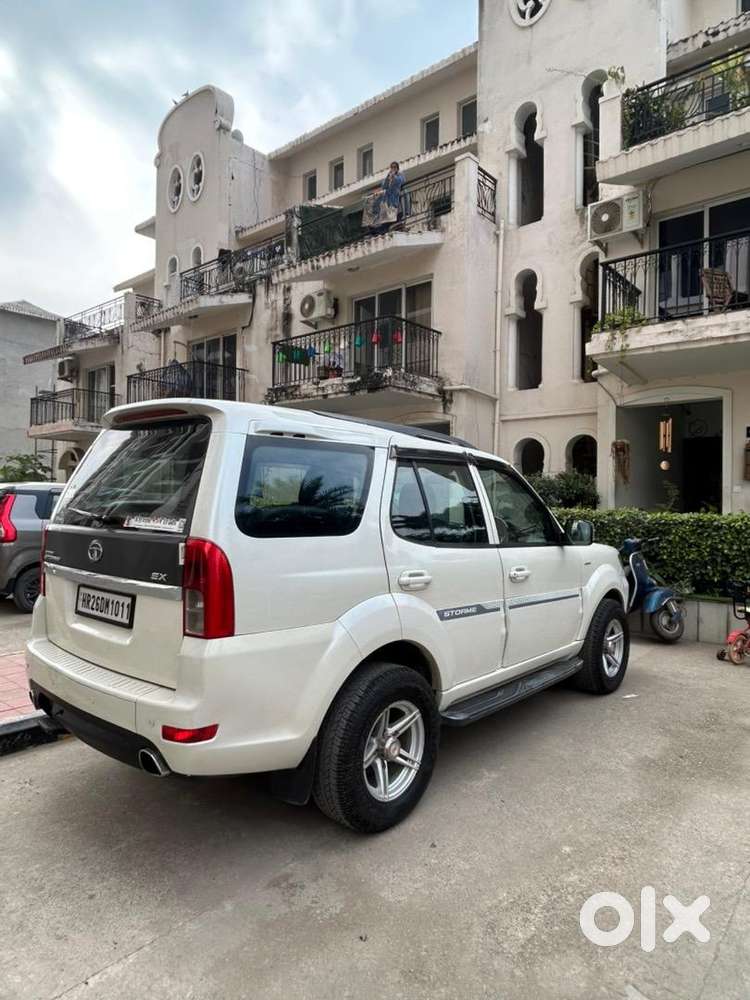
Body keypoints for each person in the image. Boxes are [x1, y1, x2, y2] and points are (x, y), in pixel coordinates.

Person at [364, 162, 406, 232]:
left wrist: (394, 177)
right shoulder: (389, 176)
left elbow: (401, 181)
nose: (393, 169)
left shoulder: (400, 175)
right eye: (392, 167)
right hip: (388, 202)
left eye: (394, 167)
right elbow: (384, 186)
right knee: (386, 220)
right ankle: (375, 229)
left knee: (393, 219)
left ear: (397, 168)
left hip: (395, 202)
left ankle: (381, 230)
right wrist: (388, 178)